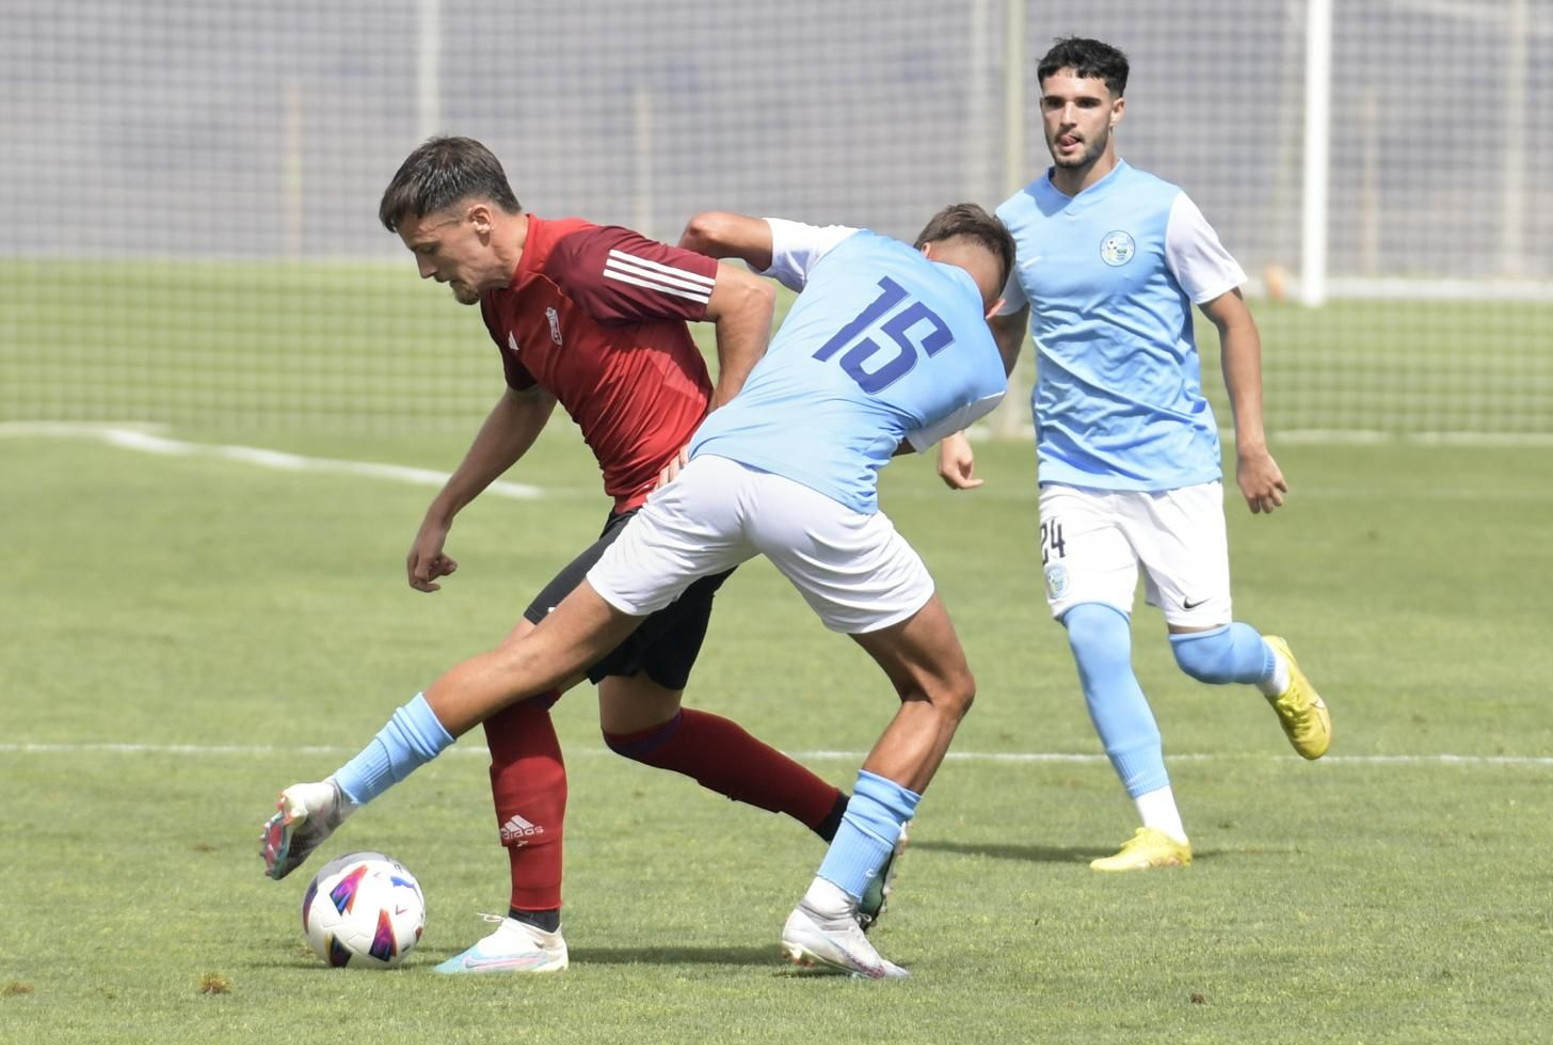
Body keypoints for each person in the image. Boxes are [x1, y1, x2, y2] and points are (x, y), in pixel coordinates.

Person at [267, 203, 1015, 979]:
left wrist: (694, 337)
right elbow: (890, 429)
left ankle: (353, 801)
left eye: (429, 249)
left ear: (924, 249)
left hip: (704, 474)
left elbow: (716, 235)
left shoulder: (857, 249)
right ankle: (834, 891)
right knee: (935, 689)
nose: (428, 268)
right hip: (804, 491)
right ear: (992, 305)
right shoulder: (988, 375)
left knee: (525, 671)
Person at [938, 37, 1331, 872]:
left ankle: (1271, 664)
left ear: (1117, 109)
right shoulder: (1016, 223)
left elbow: (1235, 321)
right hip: (1073, 476)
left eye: (1084, 104)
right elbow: (1000, 332)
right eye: (1054, 103)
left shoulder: (1164, 210)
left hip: (1172, 467)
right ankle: (1163, 828)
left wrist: (1252, 445)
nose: (1067, 119)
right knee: (1092, 637)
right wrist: (957, 424)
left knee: (1203, 652)